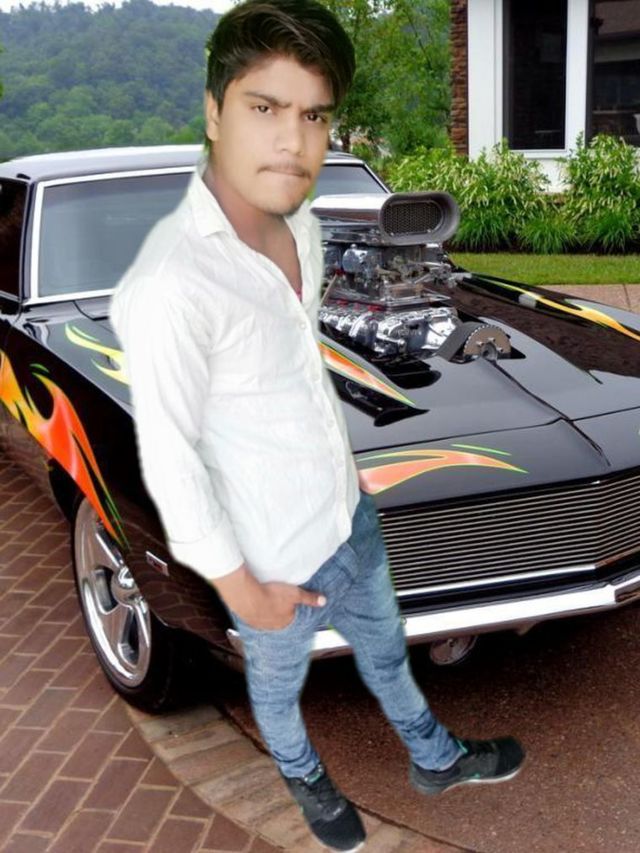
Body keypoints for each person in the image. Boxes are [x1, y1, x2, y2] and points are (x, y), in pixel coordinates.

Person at [109, 2, 525, 850]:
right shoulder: (169, 286)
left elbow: (293, 376)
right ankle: (304, 781)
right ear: (214, 111)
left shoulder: (301, 229)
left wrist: (341, 471)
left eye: (315, 115)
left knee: (387, 647)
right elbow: (170, 456)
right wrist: (241, 589)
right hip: (271, 550)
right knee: (277, 683)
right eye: (265, 107)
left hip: (347, 512)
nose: (294, 141)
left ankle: (435, 758)